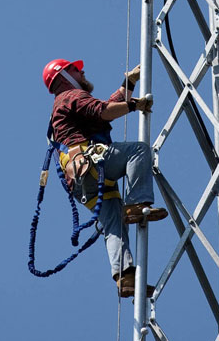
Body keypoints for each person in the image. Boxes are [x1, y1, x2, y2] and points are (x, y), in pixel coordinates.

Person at [42, 57, 168, 297]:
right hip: (92, 163)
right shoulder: (72, 96)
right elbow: (105, 112)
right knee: (138, 151)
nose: (82, 72)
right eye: (76, 70)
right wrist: (135, 106)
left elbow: (107, 106)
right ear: (64, 76)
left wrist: (128, 83)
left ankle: (125, 278)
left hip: (81, 179)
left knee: (113, 225)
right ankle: (136, 204)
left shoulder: (65, 103)